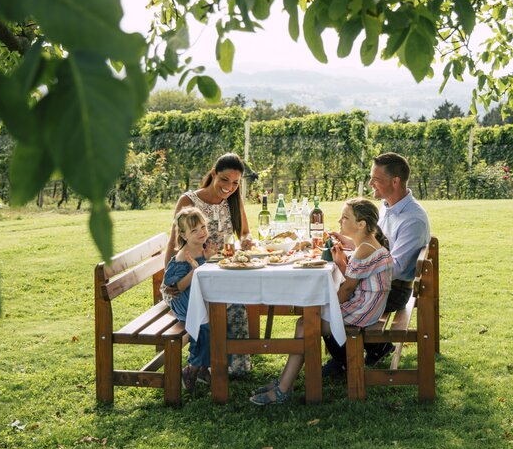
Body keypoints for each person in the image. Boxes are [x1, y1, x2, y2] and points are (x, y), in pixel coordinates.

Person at [249, 198, 393, 405]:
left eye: (345, 217)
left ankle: (283, 388)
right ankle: (283, 383)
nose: (340, 220)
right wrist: (341, 264)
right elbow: (355, 281)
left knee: (307, 323)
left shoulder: (364, 249)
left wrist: (325, 305)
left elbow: (347, 288)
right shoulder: (368, 244)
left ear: (361, 224)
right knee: (306, 320)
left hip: (363, 311)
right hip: (367, 305)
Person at [325, 152, 431, 374]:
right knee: (335, 286)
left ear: (395, 181)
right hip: (381, 284)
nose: (370, 183)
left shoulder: (412, 219)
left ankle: (345, 358)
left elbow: (395, 267)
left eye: (376, 179)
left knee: (332, 295)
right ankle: (373, 347)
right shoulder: (388, 206)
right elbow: (378, 248)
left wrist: (353, 268)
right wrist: (353, 242)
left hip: (393, 291)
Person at [164, 153, 254, 377]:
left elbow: (244, 231)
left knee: (238, 299)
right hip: (190, 278)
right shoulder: (189, 201)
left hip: (219, 272)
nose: (229, 187)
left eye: (235, 183)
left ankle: (234, 363)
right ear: (213, 174)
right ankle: (221, 363)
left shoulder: (233, 198)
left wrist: (246, 240)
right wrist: (170, 281)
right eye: (224, 179)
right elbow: (173, 243)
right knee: (232, 304)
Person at [163, 207, 217, 393]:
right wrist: (195, 270)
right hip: (182, 299)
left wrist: (210, 260)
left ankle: (202, 368)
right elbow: (175, 287)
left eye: (203, 227)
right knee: (205, 324)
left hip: (197, 297)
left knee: (215, 319)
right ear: (184, 235)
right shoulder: (183, 256)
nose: (201, 232)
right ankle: (192, 369)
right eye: (194, 230)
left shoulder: (203, 248)